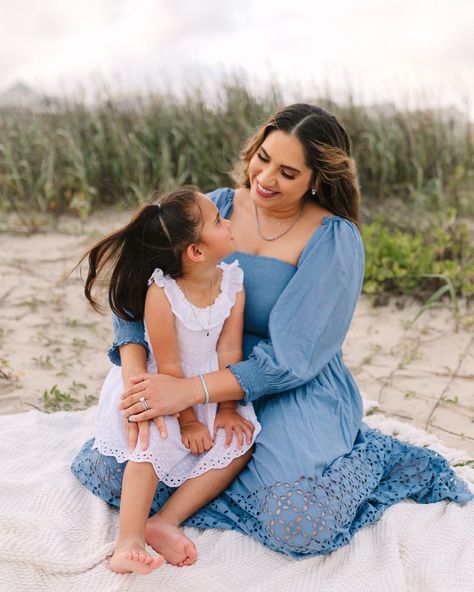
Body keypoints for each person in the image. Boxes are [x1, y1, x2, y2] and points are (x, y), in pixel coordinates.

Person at [72, 103, 472, 562]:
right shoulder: (214, 207)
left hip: (286, 384)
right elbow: (136, 286)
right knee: (108, 474)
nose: (264, 178)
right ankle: (192, 491)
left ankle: (370, 454)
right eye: (263, 158)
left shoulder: (333, 239)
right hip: (193, 366)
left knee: (296, 521)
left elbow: (292, 358)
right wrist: (140, 382)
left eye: (287, 172)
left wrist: (187, 393)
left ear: (316, 178)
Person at [79, 186, 260, 574]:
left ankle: (164, 521)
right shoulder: (162, 294)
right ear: (196, 252)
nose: (227, 221)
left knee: (239, 444)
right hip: (162, 384)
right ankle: (128, 541)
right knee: (149, 445)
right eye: (217, 221)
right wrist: (189, 420)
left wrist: (227, 408)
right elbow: (168, 364)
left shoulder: (232, 282)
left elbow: (230, 352)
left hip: (210, 383)